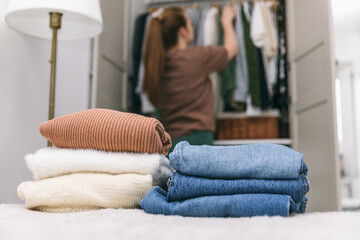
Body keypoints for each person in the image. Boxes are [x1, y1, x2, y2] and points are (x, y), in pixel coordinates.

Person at [143, 6, 238, 153]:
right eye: (189, 22)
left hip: (168, 146)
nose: (192, 26)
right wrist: (226, 20)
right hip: (198, 144)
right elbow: (231, 48)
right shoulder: (197, 57)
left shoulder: (156, 65)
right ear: (182, 31)